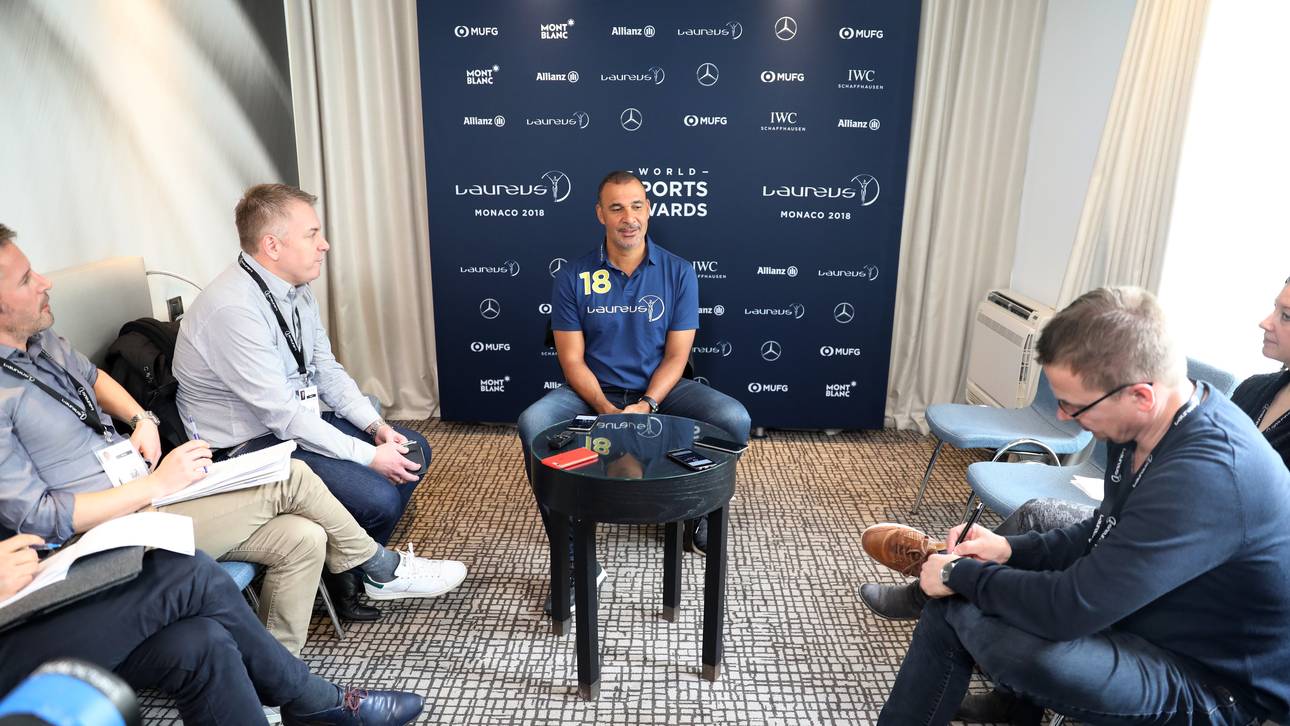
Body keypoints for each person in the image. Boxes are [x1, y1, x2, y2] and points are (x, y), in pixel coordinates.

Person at [0, 227, 465, 655]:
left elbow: (95, 375)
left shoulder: (42, 342)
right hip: (103, 532)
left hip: (149, 493)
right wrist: (155, 486)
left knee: (304, 538)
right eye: (25, 280)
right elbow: (39, 518)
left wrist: (140, 418)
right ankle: (379, 569)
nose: (45, 282)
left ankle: (275, 686)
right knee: (296, 477)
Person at [863, 276, 1290, 722]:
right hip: (1153, 616)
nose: (1066, 418)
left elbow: (1068, 610)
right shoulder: (1153, 420)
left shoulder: (1209, 476)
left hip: (1215, 684)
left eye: (1073, 406)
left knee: (963, 598)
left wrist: (962, 573)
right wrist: (1009, 549)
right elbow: (1106, 528)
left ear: (1141, 395)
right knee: (959, 591)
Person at [173, 183, 441, 622]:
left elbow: (325, 370)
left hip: (293, 422)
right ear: (272, 245)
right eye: (313, 234)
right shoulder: (233, 309)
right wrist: (368, 457)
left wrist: (376, 428)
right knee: (379, 497)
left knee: (413, 449)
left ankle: (344, 574)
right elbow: (280, 414)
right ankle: (351, 582)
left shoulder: (294, 288)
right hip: (244, 445)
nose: (325, 244)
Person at [515, 171, 750, 605]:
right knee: (533, 424)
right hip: (592, 392)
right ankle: (572, 559)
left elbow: (677, 357)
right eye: (617, 207)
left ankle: (698, 512)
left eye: (637, 205)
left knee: (734, 418)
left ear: (650, 210)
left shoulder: (678, 272)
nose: (629, 218)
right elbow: (571, 361)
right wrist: (604, 407)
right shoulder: (573, 276)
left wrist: (647, 403)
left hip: (661, 389)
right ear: (600, 214)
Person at [0, 539, 423, 726]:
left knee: (200, 642)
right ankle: (311, 699)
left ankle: (309, 702)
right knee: (191, 573)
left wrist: (140, 420)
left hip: (31, 604)